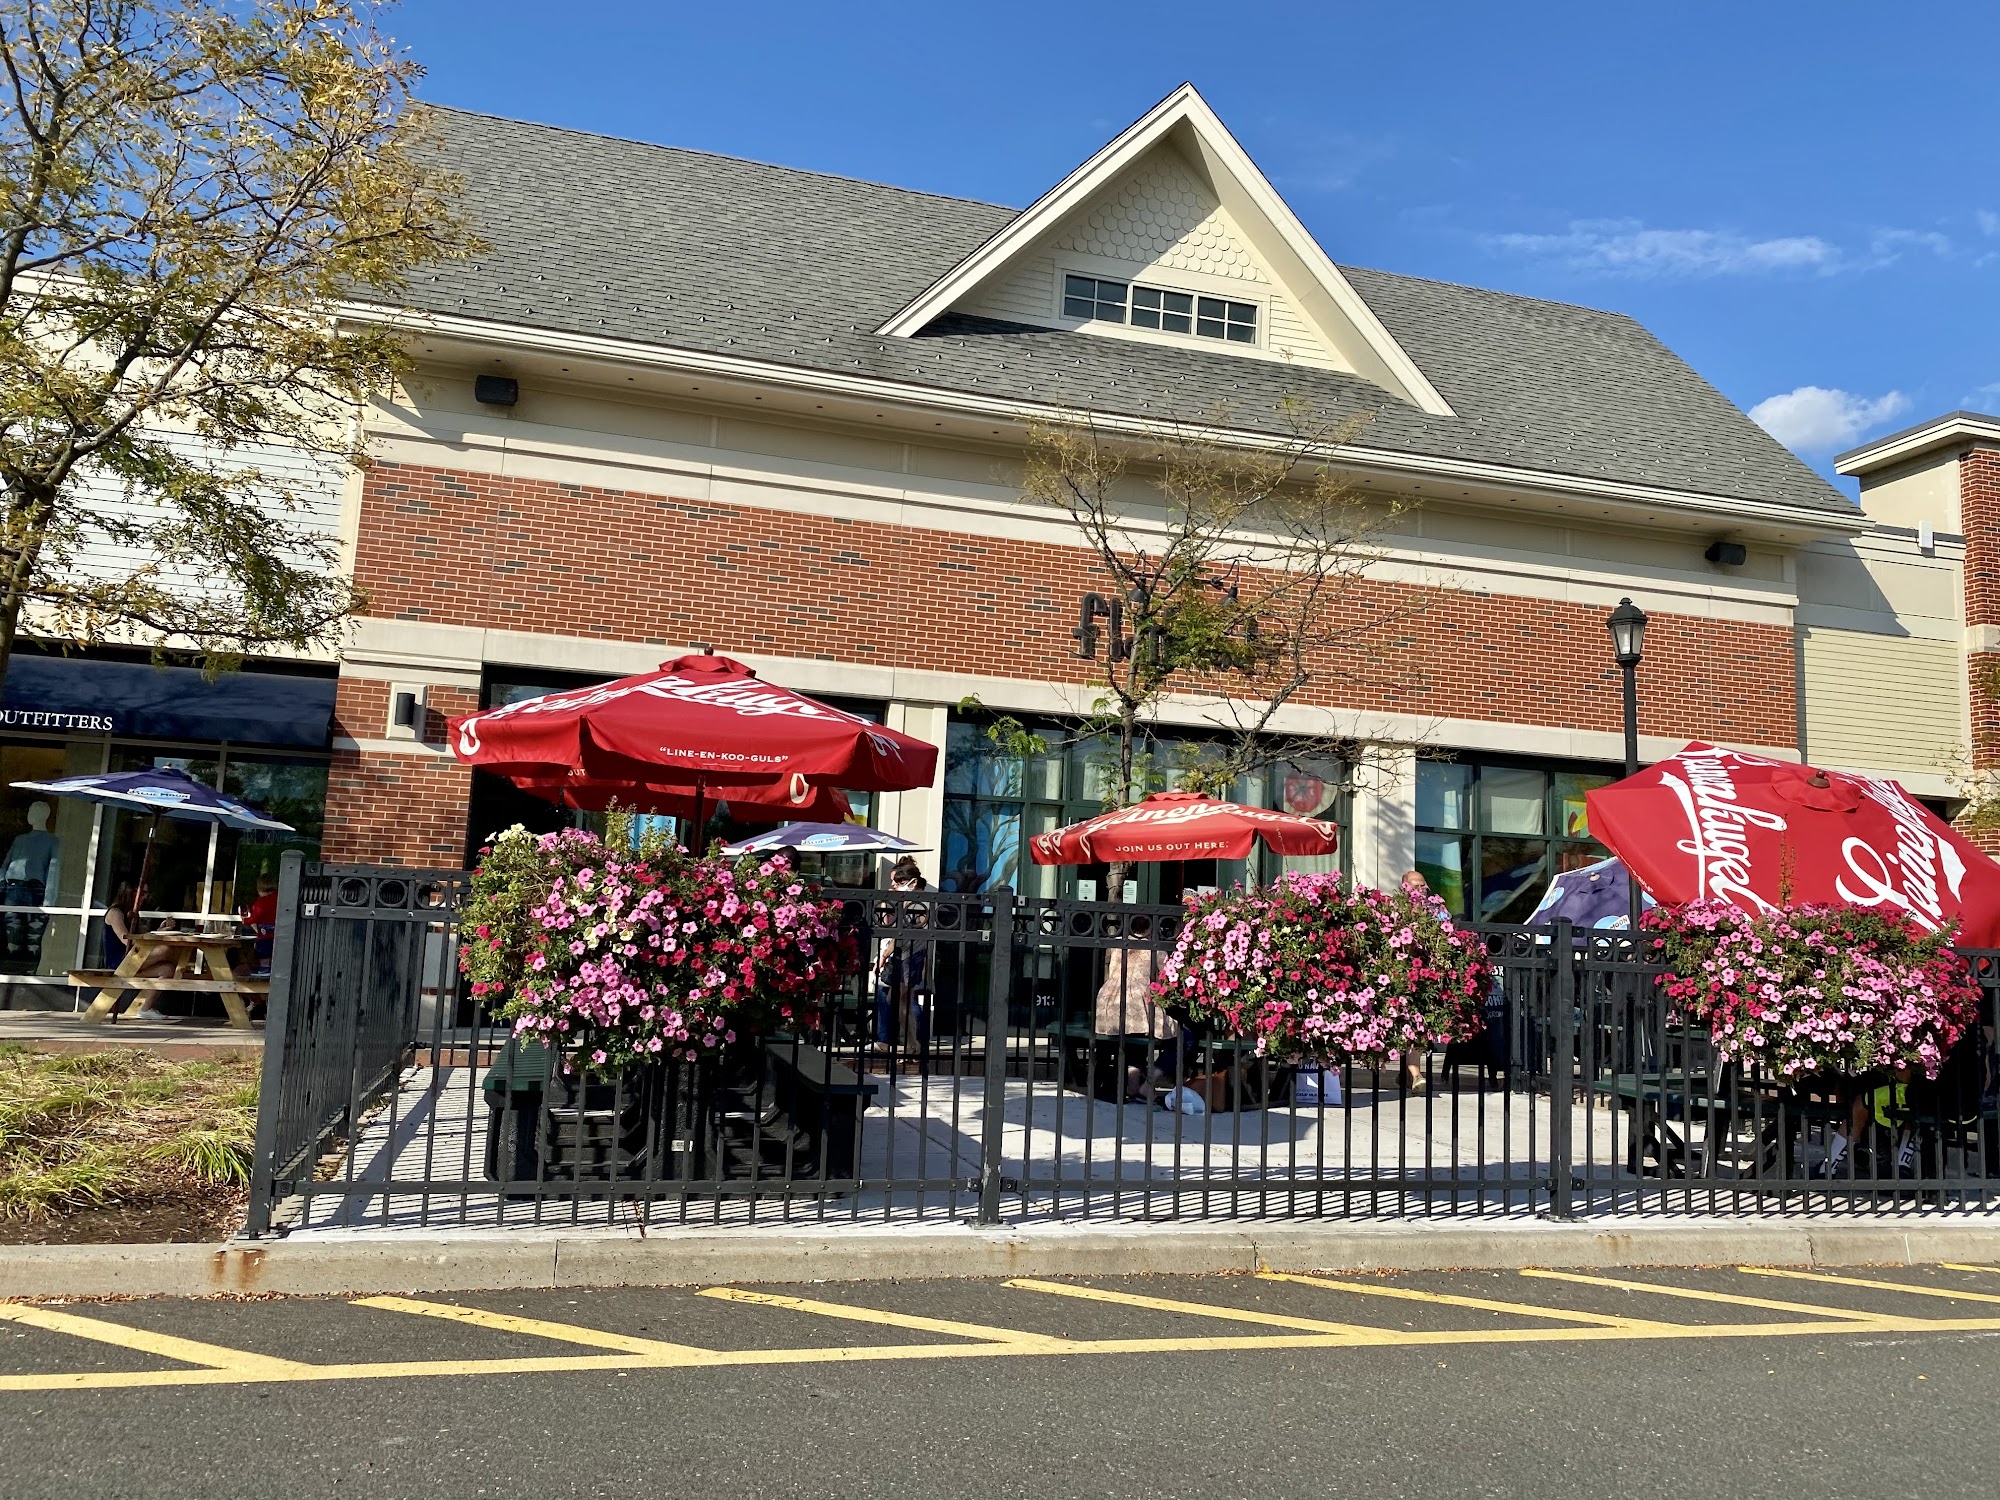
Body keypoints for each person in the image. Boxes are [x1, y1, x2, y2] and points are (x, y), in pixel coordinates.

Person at [1093, 916, 1181, 1103]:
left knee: (1129, 1037)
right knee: (1172, 1034)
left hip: (1110, 1001)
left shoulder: (1119, 943)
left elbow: (1112, 971)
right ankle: (1140, 1082)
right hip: (1140, 1001)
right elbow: (1167, 976)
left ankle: (1132, 1082)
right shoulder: (1154, 946)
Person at [101, 882, 183, 1024]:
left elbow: (140, 937)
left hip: (133, 958)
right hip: (120, 960)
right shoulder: (115, 913)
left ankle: (145, 1009)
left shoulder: (131, 913)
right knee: (165, 950)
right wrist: (154, 936)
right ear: (131, 893)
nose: (146, 897)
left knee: (169, 969)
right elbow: (127, 940)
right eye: (143, 893)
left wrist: (157, 931)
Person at [874, 856, 931, 1058]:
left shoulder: (918, 903)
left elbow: (907, 935)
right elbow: (897, 933)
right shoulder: (909, 902)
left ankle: (913, 1042)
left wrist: (885, 954)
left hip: (911, 957)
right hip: (905, 955)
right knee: (899, 1000)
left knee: (899, 999)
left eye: (898, 882)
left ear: (912, 882)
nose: (894, 886)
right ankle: (912, 1042)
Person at [1393, 869, 1433, 1095]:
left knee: (1416, 1027)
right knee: (1405, 1027)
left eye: (1422, 885)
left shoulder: (1435, 911)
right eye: (1415, 886)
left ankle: (1413, 1073)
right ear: (1404, 887)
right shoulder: (1396, 911)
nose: (1420, 890)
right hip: (1399, 975)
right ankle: (1412, 1073)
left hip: (1424, 977)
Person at [241, 870, 279, 975]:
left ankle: (264, 968)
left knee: (263, 950)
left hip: (264, 932)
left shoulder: (260, 903)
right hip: (278, 930)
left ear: (259, 888)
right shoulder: (279, 899)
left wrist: (245, 920)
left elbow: (254, 918)